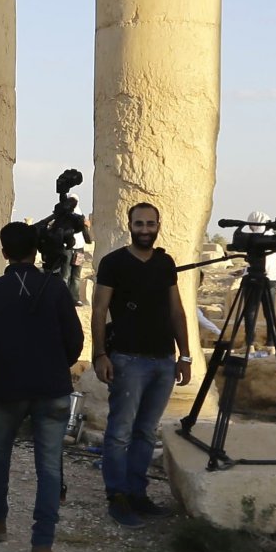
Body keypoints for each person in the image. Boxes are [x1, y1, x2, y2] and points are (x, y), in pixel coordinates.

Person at [0, 221, 85, 552]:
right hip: (52, 387)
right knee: (49, 466)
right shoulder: (55, 289)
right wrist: (54, 364)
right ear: (35, 251)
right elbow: (75, 341)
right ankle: (42, 543)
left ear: (4, 251)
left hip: (10, 386)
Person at [93, 200, 189, 525]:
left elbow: (176, 311)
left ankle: (138, 493)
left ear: (158, 226)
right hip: (127, 359)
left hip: (163, 359)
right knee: (120, 431)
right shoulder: (113, 263)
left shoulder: (165, 264)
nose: (145, 230)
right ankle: (117, 496)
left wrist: (185, 354)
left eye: (150, 224)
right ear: (129, 225)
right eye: (139, 224)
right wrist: (99, 354)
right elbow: (98, 311)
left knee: (147, 432)